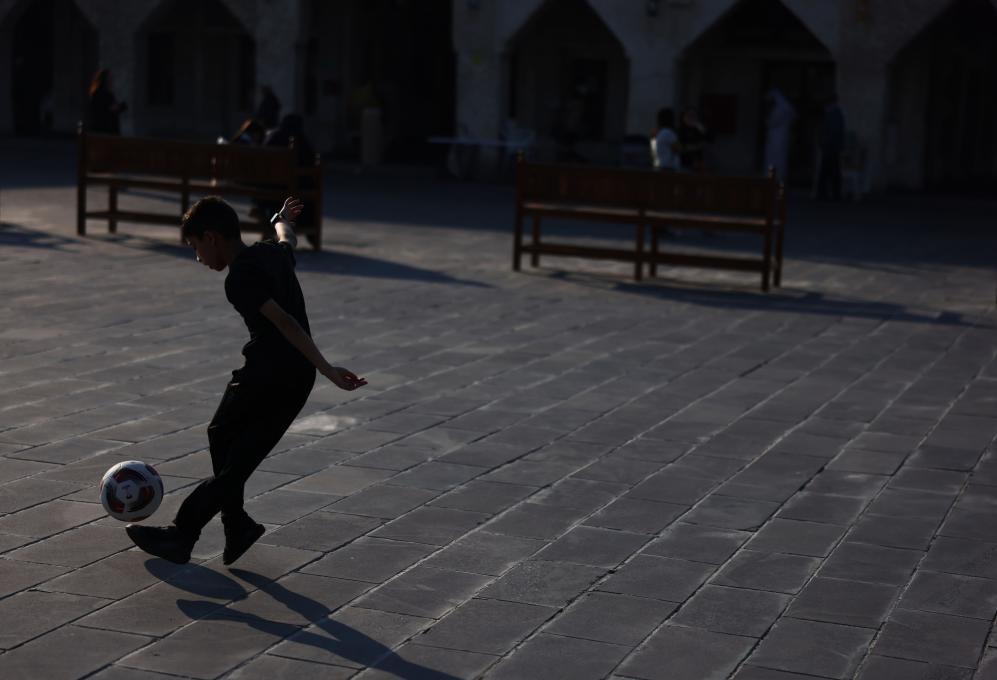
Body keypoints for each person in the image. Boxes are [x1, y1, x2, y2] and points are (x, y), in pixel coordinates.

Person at [125, 196, 367, 565]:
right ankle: (237, 526)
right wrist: (281, 219)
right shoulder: (271, 253)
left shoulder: (240, 278)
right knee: (221, 434)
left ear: (211, 237)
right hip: (284, 376)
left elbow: (285, 321)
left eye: (195, 246)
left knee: (236, 463)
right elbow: (287, 239)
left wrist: (328, 369)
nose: (198, 257)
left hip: (272, 377)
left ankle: (182, 534)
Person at [763, 88, 796, 182]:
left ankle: (775, 177)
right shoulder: (786, 108)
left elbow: (772, 122)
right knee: (779, 158)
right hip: (780, 137)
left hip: (777, 138)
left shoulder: (781, 109)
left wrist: (767, 120)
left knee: (775, 159)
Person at [817, 95, 846, 200]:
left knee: (828, 170)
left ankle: (826, 193)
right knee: (832, 170)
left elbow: (832, 131)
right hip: (832, 146)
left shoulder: (833, 114)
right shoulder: (835, 114)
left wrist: (825, 142)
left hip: (831, 146)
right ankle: (832, 193)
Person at [87, 68, 127, 135]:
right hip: (106, 130)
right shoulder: (104, 94)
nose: (112, 80)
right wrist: (122, 106)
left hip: (100, 129)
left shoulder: (96, 93)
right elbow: (112, 108)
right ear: (105, 80)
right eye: (110, 78)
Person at [678, 108, 711, 173]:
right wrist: (696, 146)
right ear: (683, 117)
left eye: (693, 116)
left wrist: (701, 128)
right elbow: (681, 147)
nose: (691, 118)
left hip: (699, 162)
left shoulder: (698, 128)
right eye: (688, 116)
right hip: (685, 162)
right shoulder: (681, 130)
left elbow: (709, 139)